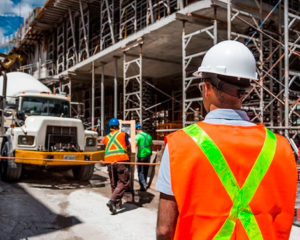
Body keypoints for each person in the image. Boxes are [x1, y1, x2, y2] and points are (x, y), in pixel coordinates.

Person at [156, 40, 297, 239]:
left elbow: (164, 229)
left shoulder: (179, 145)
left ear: (206, 88)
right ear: (245, 90)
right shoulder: (281, 147)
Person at [102, 118, 130, 214]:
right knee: (123, 182)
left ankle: (116, 205)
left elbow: (107, 148)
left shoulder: (105, 138)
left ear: (110, 127)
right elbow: (129, 146)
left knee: (114, 183)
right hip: (120, 161)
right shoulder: (123, 135)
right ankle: (112, 201)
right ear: (118, 126)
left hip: (110, 162)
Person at [135, 124, 153, 191]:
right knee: (145, 170)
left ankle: (143, 184)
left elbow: (135, 145)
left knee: (140, 171)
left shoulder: (137, 136)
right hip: (148, 155)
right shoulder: (148, 136)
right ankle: (143, 186)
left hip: (141, 156)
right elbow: (151, 145)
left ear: (137, 130)